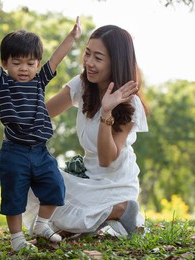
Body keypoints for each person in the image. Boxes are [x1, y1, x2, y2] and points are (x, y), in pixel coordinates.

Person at [23, 24, 149, 239]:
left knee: (64, 215)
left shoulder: (130, 103)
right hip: (87, 179)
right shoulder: (82, 85)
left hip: (115, 185)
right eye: (87, 54)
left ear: (115, 63)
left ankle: (120, 210)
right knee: (32, 177)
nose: (89, 63)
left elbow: (107, 159)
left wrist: (106, 112)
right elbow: (41, 115)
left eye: (98, 58)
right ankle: (96, 222)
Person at [0, 9, 82, 251]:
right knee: (14, 197)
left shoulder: (39, 81)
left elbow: (55, 59)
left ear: (37, 64)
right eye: (17, 62)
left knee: (56, 185)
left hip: (40, 151)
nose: (24, 68)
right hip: (14, 152)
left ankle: (41, 224)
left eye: (30, 63)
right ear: (5, 64)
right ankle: (17, 240)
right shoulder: (4, 82)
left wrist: (71, 38)